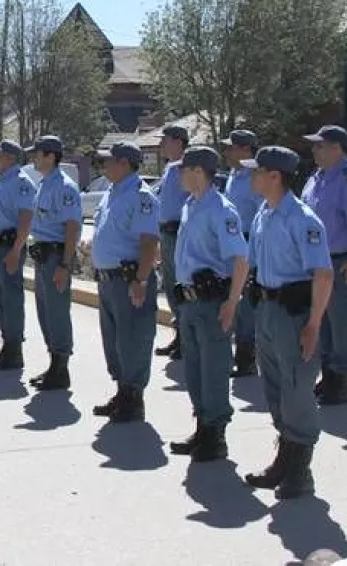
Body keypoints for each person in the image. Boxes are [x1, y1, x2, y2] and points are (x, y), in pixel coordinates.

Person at [242, 146, 334, 500]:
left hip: (293, 314)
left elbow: (323, 275)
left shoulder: (302, 219)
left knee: (297, 389)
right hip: (266, 308)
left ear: (275, 176)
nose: (251, 176)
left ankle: (300, 470)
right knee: (275, 387)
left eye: (257, 171)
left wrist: (313, 324)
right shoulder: (264, 213)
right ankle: (284, 458)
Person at [168, 146, 249, 461]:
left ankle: (216, 435)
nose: (178, 175)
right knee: (194, 368)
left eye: (182, 169)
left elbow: (240, 260)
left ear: (198, 172)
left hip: (211, 302)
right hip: (189, 301)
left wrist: (232, 301)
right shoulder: (191, 205)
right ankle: (202, 426)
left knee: (214, 369)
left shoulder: (221, 210)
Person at [301, 125, 347, 406]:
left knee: (343, 321)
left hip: (343, 260)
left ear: (337, 148)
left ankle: (340, 383)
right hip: (318, 263)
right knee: (323, 319)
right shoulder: (317, 177)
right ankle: (328, 377)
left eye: (320, 145)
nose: (314, 150)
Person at [89, 142, 160, 422]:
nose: (104, 166)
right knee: (114, 339)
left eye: (109, 161)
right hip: (108, 280)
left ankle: (133, 398)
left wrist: (141, 279)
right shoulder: (112, 193)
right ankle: (122, 391)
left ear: (124, 164)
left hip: (129, 279)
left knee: (133, 339)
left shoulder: (141, 196)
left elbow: (149, 242)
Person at [27, 135, 82, 391]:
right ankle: (53, 364)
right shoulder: (45, 183)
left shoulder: (64, 186)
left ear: (50, 156)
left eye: (38, 154)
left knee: (57, 313)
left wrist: (64, 264)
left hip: (55, 257)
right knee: (45, 312)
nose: (34, 159)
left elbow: (72, 227)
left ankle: (61, 369)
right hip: (43, 256)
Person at [0, 140, 36, 370]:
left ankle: (14, 351)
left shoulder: (21, 182)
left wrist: (15, 250)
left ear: (11, 158)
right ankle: (7, 346)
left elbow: (25, 219)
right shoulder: (1, 181)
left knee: (11, 301)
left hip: (8, 248)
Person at [222, 129, 264, 377]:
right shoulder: (235, 175)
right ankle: (242, 351)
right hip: (233, 246)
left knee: (246, 303)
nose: (227, 152)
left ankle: (247, 357)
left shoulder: (254, 178)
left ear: (246, 150)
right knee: (237, 301)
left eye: (232, 147)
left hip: (248, 246)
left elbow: (261, 215)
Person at [155, 125, 190, 361]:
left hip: (180, 233)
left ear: (178, 142)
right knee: (170, 286)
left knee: (181, 286)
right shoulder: (170, 168)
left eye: (165, 140)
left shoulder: (187, 167)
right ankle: (179, 334)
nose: (161, 145)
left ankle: (187, 338)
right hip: (166, 234)